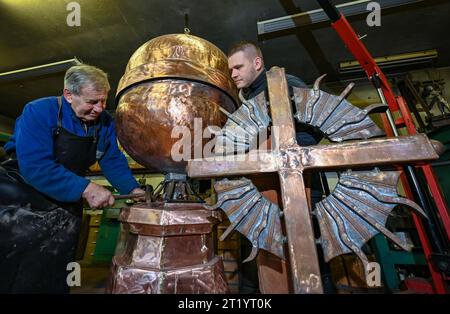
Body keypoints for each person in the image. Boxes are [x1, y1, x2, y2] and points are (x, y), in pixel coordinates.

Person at [0, 64, 145, 293]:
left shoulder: (104, 122)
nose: (100, 108)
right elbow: (37, 166)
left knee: (58, 262)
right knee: (16, 264)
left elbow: (112, 160)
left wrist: (133, 189)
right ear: (69, 95)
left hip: (66, 198)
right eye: (92, 102)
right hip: (21, 194)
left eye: (103, 101)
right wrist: (86, 188)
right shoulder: (38, 111)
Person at [227, 41, 332, 293]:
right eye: (230, 70)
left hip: (303, 189)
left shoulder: (287, 84)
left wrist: (279, 151)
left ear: (257, 63)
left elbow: (316, 128)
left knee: (312, 260)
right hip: (265, 192)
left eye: (238, 67)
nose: (233, 75)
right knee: (266, 257)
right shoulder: (248, 99)